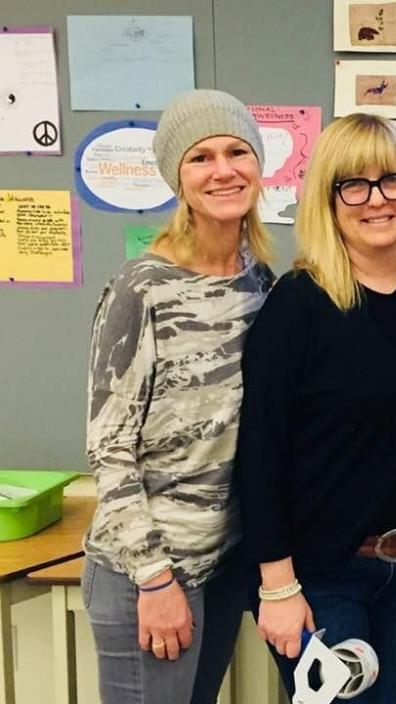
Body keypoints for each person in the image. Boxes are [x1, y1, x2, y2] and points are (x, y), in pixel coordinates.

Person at [235, 113, 396, 703]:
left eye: (393, 181)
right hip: (323, 576)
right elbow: (259, 451)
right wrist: (278, 586)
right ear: (328, 199)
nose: (376, 200)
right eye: (353, 186)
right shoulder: (299, 305)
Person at [83, 89, 274, 703]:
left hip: (220, 568)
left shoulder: (259, 280)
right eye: (201, 157)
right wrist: (154, 577)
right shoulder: (143, 288)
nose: (223, 170)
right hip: (147, 574)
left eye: (237, 151)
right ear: (176, 176)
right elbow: (109, 447)